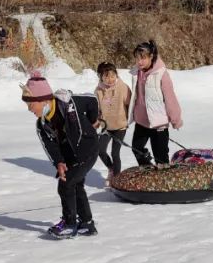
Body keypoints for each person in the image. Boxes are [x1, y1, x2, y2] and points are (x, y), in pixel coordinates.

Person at [21, 73, 100, 239]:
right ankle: (87, 224)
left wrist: (93, 122)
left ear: (43, 100)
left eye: (30, 104)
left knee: (66, 184)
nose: (29, 109)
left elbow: (92, 99)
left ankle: (70, 223)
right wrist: (59, 162)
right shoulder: (42, 124)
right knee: (76, 185)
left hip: (87, 148)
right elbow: (49, 146)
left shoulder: (68, 103)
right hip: (70, 156)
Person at [129, 39, 183, 167]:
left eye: (142, 58)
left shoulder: (161, 74)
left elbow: (170, 98)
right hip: (142, 121)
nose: (139, 62)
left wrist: (176, 119)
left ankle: (164, 179)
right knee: (136, 148)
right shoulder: (137, 73)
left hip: (159, 123)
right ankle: (147, 169)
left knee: (160, 155)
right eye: (137, 58)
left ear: (151, 57)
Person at [95, 61, 131, 177]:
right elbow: (97, 109)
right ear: (100, 77)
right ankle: (111, 168)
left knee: (115, 153)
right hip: (106, 127)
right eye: (106, 77)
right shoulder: (98, 91)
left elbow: (130, 103)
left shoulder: (122, 87)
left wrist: (129, 118)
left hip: (120, 126)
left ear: (116, 75)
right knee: (100, 150)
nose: (110, 79)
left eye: (112, 76)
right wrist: (98, 120)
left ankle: (117, 178)